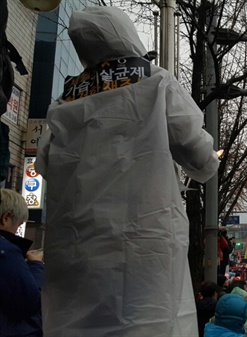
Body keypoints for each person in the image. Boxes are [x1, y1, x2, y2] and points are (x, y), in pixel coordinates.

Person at [35, 6, 219, 336]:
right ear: (125, 34)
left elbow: (45, 163)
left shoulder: (63, 101)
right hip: (144, 242)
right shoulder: (155, 79)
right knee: (147, 323)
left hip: (74, 251)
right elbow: (199, 154)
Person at [0, 189, 44, 337]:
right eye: (18, 225)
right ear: (6, 218)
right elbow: (30, 302)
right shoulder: (6, 251)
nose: (17, 230)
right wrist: (36, 265)